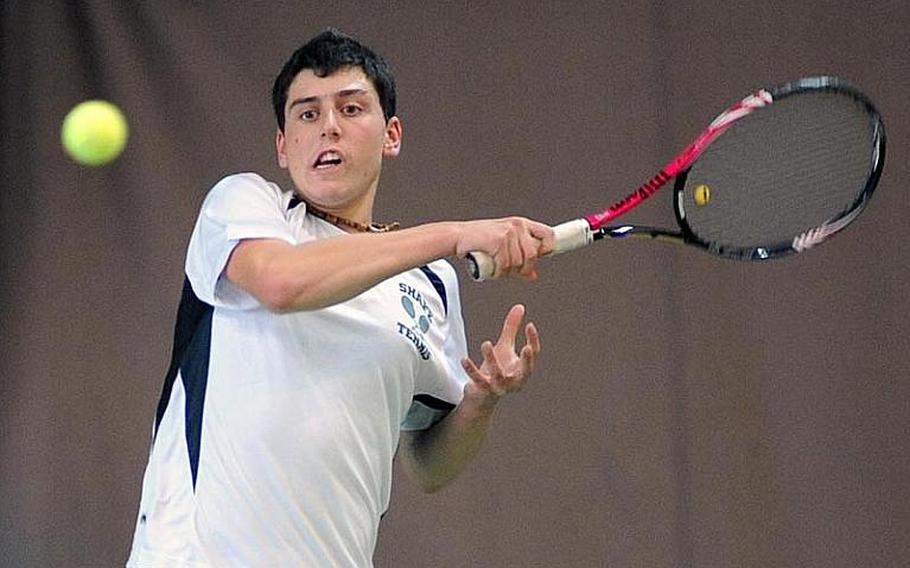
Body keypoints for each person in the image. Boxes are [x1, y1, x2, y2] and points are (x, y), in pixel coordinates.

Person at [127, 28, 554, 567]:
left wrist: (481, 401)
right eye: (307, 114)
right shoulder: (244, 206)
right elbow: (282, 285)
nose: (328, 126)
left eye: (351, 109)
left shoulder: (431, 286)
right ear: (283, 146)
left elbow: (429, 465)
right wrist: (454, 234)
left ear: (391, 134)